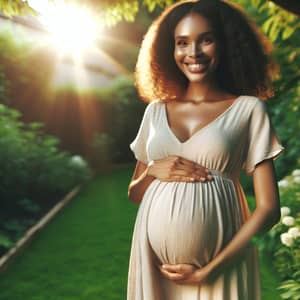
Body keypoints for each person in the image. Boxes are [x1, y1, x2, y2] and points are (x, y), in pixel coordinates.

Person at [127, 0, 285, 299]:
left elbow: (268, 210)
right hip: (155, 266)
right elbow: (135, 194)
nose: (193, 52)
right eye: (182, 43)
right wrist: (152, 171)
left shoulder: (248, 110)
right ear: (169, 50)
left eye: (206, 40)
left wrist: (210, 270)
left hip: (219, 267)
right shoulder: (155, 111)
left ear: (226, 44)